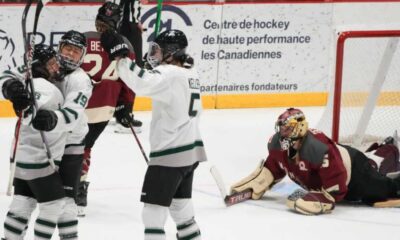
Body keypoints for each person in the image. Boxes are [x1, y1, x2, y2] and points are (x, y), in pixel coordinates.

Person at [101, 29, 207, 239]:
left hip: (170, 156)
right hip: (189, 153)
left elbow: (142, 83)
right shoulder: (190, 73)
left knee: (153, 214)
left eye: (157, 51)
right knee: (181, 208)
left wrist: (121, 57)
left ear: (171, 52)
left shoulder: (169, 74)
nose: (153, 55)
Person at [230, 108, 400, 215]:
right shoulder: (277, 143)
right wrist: (262, 179)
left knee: (386, 186)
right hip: (341, 156)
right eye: (281, 128)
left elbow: (338, 185)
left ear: (300, 127)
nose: (283, 133)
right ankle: (384, 146)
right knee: (373, 162)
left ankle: (391, 148)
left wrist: (325, 198)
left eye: (288, 129)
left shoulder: (317, 149)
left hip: (354, 174)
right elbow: (275, 167)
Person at [1, 44, 73, 240]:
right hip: (38, 158)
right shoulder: (43, 86)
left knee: (22, 203)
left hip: (23, 157)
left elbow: (8, 79)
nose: (56, 66)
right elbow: (27, 114)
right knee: (54, 205)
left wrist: (17, 95)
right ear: (39, 67)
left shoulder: (33, 83)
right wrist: (28, 109)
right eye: (50, 64)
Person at [78, 1, 141, 216]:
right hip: (105, 106)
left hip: (78, 104)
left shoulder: (83, 38)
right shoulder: (127, 46)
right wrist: (126, 106)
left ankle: (71, 183)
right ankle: (80, 185)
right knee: (86, 145)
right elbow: (130, 80)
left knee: (72, 145)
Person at [118, 0, 144, 68]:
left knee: (122, 54)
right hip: (129, 25)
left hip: (123, 24)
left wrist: (138, 21)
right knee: (135, 58)